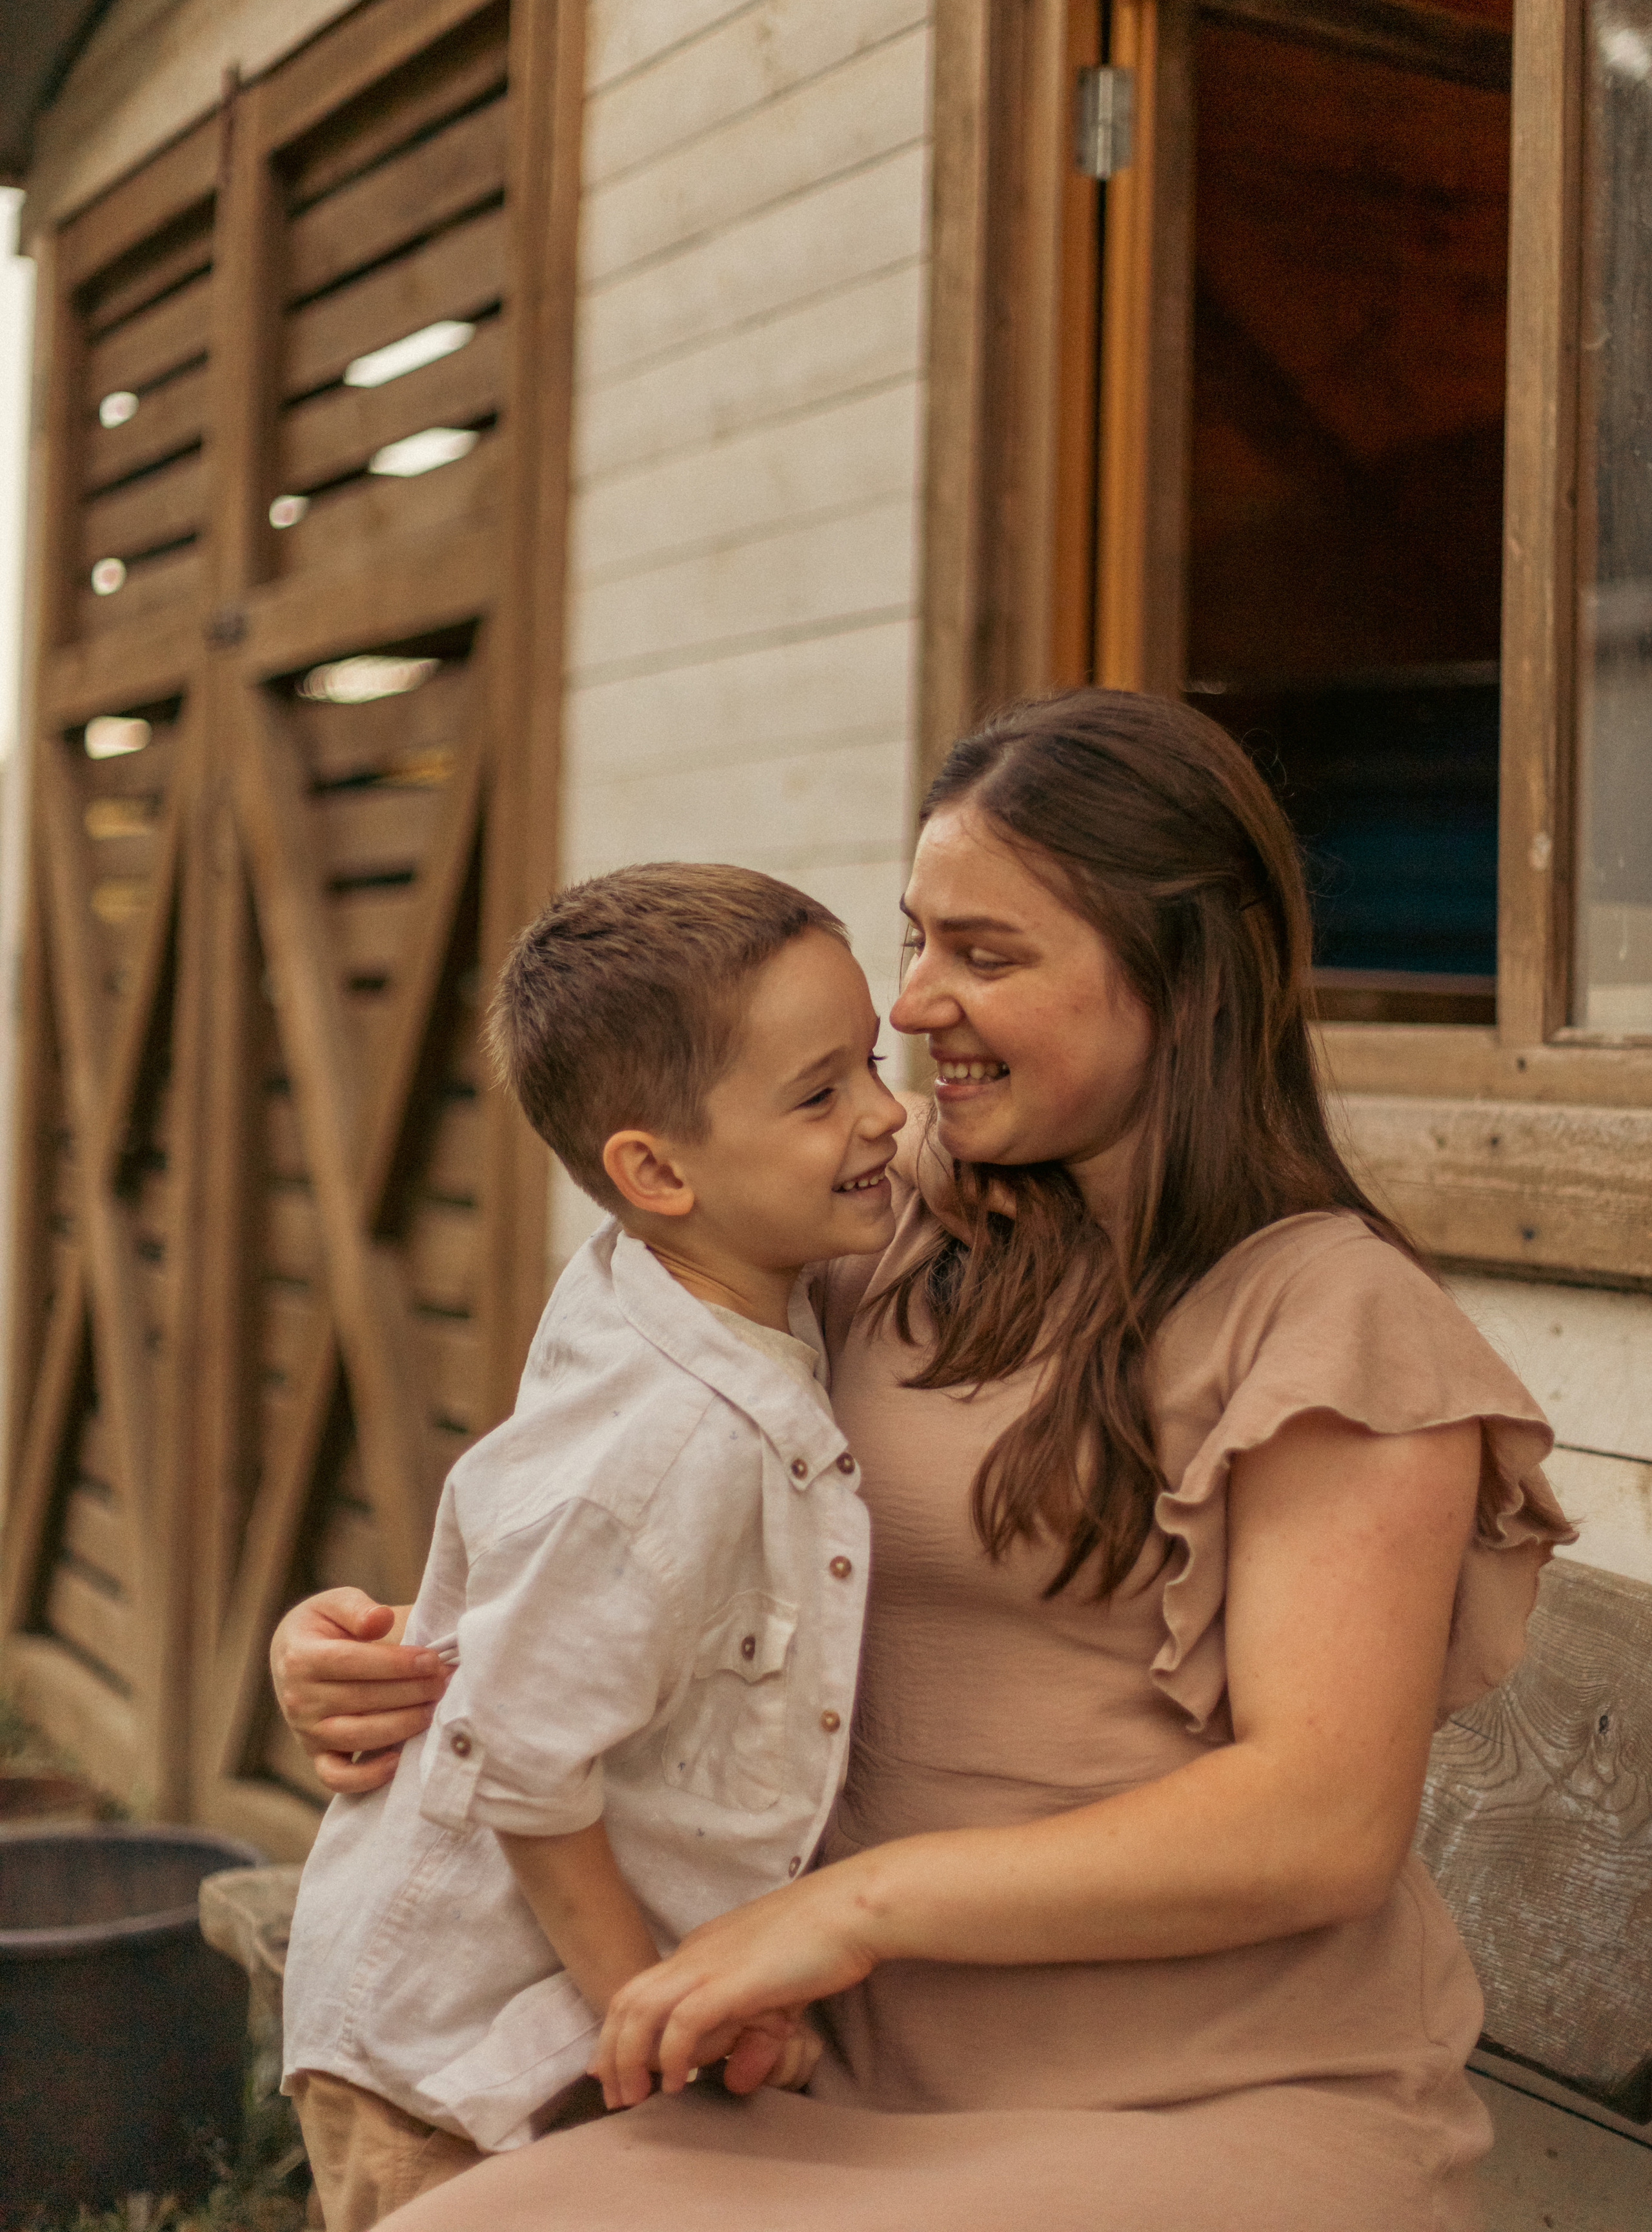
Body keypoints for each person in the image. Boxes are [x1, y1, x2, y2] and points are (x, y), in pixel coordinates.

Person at [274, 690, 1572, 2232]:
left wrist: (847, 1910)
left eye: (985, 954)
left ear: (1183, 974)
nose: (908, 1006)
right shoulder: (856, 1241)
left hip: (1216, 2099)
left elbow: (1317, 1823)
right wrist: (364, 1654)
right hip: (830, 2083)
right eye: (916, 938)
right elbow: (591, 1503)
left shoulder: (1327, 1318)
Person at [280, 862, 907, 2229]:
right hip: (443, 2062)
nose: (884, 1114)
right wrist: (660, 2015)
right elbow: (520, 1759)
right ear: (654, 1171)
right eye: (819, 1095)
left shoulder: (709, 1276)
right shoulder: (658, 1449)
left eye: (873, 1061)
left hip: (556, 2011)